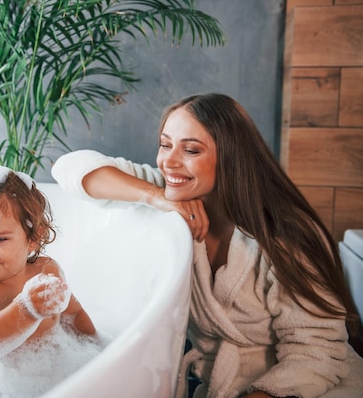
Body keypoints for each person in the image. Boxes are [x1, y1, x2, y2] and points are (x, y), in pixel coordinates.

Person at [51, 93, 363, 398]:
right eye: (165, 144)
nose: (169, 162)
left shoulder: (286, 236)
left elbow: (316, 354)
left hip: (307, 387)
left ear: (230, 156)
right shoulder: (172, 195)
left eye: (191, 150)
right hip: (220, 386)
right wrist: (155, 197)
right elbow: (69, 169)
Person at [0, 164, 97, 360]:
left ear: (33, 239)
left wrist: (97, 348)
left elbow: (74, 315)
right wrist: (26, 309)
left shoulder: (47, 270)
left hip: (54, 367)